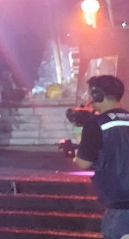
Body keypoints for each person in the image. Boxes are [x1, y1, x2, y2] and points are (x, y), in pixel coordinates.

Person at [74, 75, 129, 239]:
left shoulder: (96, 124)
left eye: (89, 94)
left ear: (98, 95)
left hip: (119, 207)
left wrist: (76, 154)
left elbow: (84, 163)